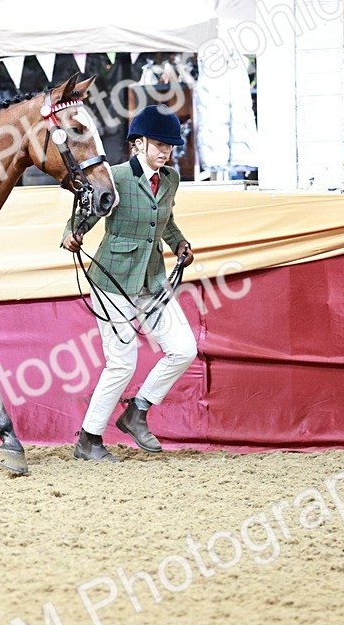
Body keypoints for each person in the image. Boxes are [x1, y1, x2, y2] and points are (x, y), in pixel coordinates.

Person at [62, 105, 197, 462]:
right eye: (159, 145)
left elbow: (165, 220)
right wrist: (71, 233)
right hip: (113, 279)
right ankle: (89, 439)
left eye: (170, 146)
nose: (166, 152)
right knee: (122, 363)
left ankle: (137, 410)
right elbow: (86, 213)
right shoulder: (116, 176)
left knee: (184, 349)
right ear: (138, 143)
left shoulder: (171, 179)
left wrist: (179, 243)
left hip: (152, 279)